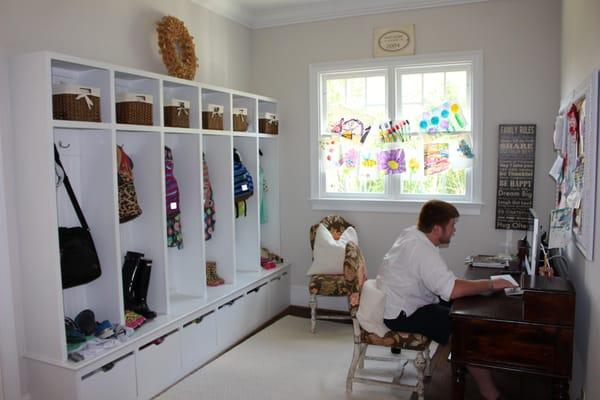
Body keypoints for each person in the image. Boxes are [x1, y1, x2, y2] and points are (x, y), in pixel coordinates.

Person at [376, 200, 516, 400]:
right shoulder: (422, 250)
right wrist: (492, 284)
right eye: (452, 225)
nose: (454, 230)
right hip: (401, 313)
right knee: (464, 328)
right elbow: (451, 290)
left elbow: (445, 284)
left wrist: (482, 286)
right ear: (436, 229)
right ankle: (489, 392)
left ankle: (472, 362)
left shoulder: (414, 233)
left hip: (404, 300)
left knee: (469, 306)